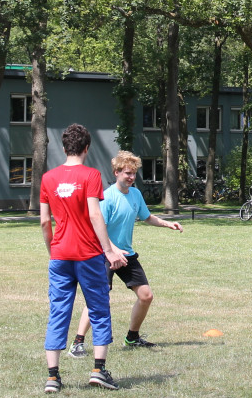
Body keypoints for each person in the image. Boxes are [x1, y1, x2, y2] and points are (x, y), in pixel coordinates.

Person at [68, 151, 183, 356]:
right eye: (127, 173)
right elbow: (98, 227)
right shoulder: (107, 197)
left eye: (133, 174)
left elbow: (147, 217)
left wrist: (168, 223)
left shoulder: (136, 194)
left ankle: (132, 337)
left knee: (146, 296)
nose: (131, 177)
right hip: (104, 253)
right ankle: (77, 343)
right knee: (98, 298)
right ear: (116, 172)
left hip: (126, 254)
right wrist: (111, 249)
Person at [40, 123, 127, 393]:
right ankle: (98, 370)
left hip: (60, 256)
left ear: (64, 147)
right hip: (88, 255)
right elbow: (94, 214)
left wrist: (52, 250)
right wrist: (109, 250)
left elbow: (45, 222)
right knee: (99, 310)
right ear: (86, 148)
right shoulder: (91, 175)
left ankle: (53, 377)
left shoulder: (47, 178)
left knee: (58, 313)